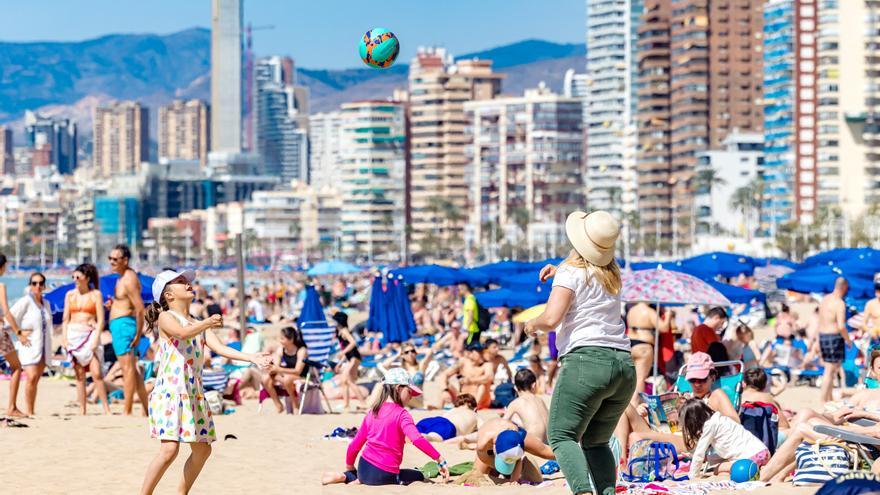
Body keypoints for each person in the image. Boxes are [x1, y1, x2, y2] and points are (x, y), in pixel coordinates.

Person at [524, 210, 634, 495]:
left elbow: (550, 319)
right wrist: (559, 269)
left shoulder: (571, 273)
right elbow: (587, 268)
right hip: (623, 366)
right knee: (596, 441)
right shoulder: (612, 274)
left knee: (561, 436)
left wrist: (530, 325)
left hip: (587, 362)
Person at [140, 269, 271, 495]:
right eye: (181, 282)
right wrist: (208, 322)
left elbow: (221, 349)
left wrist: (252, 357)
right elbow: (182, 333)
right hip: (171, 392)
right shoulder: (166, 317)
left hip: (193, 393)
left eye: (187, 281)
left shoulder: (198, 322)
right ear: (168, 295)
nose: (188, 284)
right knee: (169, 450)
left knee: (203, 450)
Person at [322, 368, 449, 486]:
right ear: (399, 388)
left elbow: (355, 445)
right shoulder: (402, 414)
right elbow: (417, 440)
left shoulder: (373, 412)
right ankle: (353, 478)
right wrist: (439, 459)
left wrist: (350, 466)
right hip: (385, 474)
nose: (411, 397)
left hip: (363, 468)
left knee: (365, 476)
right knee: (418, 475)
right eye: (409, 392)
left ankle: (346, 476)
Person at [62, 263, 111, 415]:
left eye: (78, 277)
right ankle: (82, 409)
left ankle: (106, 408)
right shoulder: (70, 294)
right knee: (79, 374)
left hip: (90, 334)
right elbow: (65, 319)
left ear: (87, 278)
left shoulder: (95, 294)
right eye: (73, 277)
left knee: (96, 373)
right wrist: (64, 338)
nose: (75, 279)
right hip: (73, 334)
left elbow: (101, 320)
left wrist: (96, 338)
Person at [107, 244, 149, 416]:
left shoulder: (129, 279)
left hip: (125, 326)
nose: (111, 262)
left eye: (115, 259)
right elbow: (128, 304)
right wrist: (114, 304)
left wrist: (139, 334)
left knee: (128, 369)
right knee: (132, 370)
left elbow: (140, 308)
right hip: (121, 325)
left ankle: (127, 409)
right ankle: (146, 409)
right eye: (110, 258)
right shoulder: (122, 277)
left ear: (125, 260)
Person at [679, 398, 769, 478]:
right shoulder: (721, 420)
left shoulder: (709, 426)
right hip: (763, 453)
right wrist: (708, 458)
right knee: (725, 465)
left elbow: (699, 453)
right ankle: (761, 468)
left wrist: (693, 475)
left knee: (718, 470)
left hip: (750, 459)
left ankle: (757, 469)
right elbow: (728, 451)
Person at [9, 271, 53, 416]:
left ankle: (31, 411)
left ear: (44, 286)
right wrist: (19, 333)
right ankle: (26, 410)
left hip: (42, 346)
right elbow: (9, 317)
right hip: (28, 345)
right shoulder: (25, 301)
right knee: (32, 376)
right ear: (30, 285)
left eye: (41, 283)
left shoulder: (46, 303)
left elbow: (48, 325)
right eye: (34, 283)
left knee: (35, 380)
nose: (38, 286)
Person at [467, 417, 556, 483]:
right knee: (478, 476)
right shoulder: (483, 444)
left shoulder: (516, 433)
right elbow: (485, 461)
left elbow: (517, 460)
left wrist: (513, 481)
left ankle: (569, 455)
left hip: (513, 438)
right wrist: (495, 468)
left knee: (546, 452)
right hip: (490, 448)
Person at [625, 302, 672, 399]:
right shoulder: (649, 311)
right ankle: (635, 403)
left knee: (631, 378)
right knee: (640, 378)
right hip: (644, 346)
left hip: (630, 344)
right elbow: (664, 328)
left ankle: (628, 403)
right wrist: (668, 315)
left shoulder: (631, 311)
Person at [0, 253, 26, 419]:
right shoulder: (0, 286)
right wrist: (18, 332)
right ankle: (12, 407)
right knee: (16, 367)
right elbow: (7, 311)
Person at [261, 326, 309, 414]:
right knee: (265, 378)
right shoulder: (281, 350)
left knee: (286, 378)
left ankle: (295, 404)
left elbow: (298, 370)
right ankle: (278, 405)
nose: (280, 340)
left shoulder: (301, 351)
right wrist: (270, 366)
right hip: (286, 375)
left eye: (282, 338)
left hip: (301, 376)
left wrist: (278, 369)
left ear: (291, 340)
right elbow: (276, 365)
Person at [818, 277, 850, 403]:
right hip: (834, 337)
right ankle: (822, 401)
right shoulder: (839, 303)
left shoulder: (824, 299)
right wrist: (848, 340)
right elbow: (841, 326)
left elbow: (820, 321)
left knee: (830, 369)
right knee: (829, 370)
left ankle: (829, 399)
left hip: (823, 335)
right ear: (844, 288)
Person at [440, 341, 494, 410]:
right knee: (446, 384)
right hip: (463, 397)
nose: (482, 354)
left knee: (483, 385)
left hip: (480, 401)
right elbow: (444, 374)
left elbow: (489, 377)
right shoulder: (463, 362)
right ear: (470, 353)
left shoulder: (487, 365)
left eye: (482, 352)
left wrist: (469, 380)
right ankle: (440, 408)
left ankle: (474, 407)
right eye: (479, 352)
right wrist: (445, 391)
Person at [503, 369, 550, 443]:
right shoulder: (540, 400)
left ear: (515, 388)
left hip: (535, 445)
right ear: (534, 385)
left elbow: (503, 424)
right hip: (548, 442)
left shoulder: (515, 403)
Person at [332, 311, 366, 411]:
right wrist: (340, 362)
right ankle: (346, 404)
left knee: (349, 381)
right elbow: (346, 350)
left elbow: (353, 343)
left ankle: (363, 403)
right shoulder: (340, 331)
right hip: (351, 358)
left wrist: (343, 353)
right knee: (345, 381)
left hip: (354, 358)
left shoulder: (344, 331)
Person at [862, 274, 880, 340]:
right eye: (877, 290)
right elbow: (863, 324)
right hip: (877, 339)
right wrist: (870, 331)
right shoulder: (870, 304)